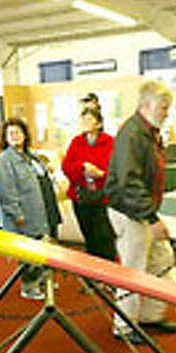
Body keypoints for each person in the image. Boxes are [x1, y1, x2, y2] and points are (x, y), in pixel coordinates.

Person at [103, 80, 176, 343]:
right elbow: (128, 182)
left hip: (142, 210)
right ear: (146, 105)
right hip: (130, 211)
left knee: (161, 260)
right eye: (163, 107)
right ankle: (124, 327)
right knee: (133, 268)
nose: (166, 112)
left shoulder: (148, 132)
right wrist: (152, 218)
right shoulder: (133, 134)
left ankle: (150, 315)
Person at [0, 117, 58, 300]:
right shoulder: (4, 160)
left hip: (38, 212)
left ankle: (39, 280)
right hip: (22, 215)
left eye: (18, 132)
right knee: (28, 253)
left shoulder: (29, 156)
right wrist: (17, 214)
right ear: (5, 138)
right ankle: (29, 287)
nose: (15, 136)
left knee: (40, 248)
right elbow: (7, 192)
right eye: (11, 133)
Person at [63, 101, 118, 260]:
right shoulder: (76, 142)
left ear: (99, 123)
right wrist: (83, 168)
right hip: (81, 197)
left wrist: (100, 174)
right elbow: (67, 166)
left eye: (89, 120)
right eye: (83, 120)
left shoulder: (110, 142)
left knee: (105, 239)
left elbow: (116, 170)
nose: (85, 123)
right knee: (90, 238)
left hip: (103, 197)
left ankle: (109, 277)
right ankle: (94, 279)